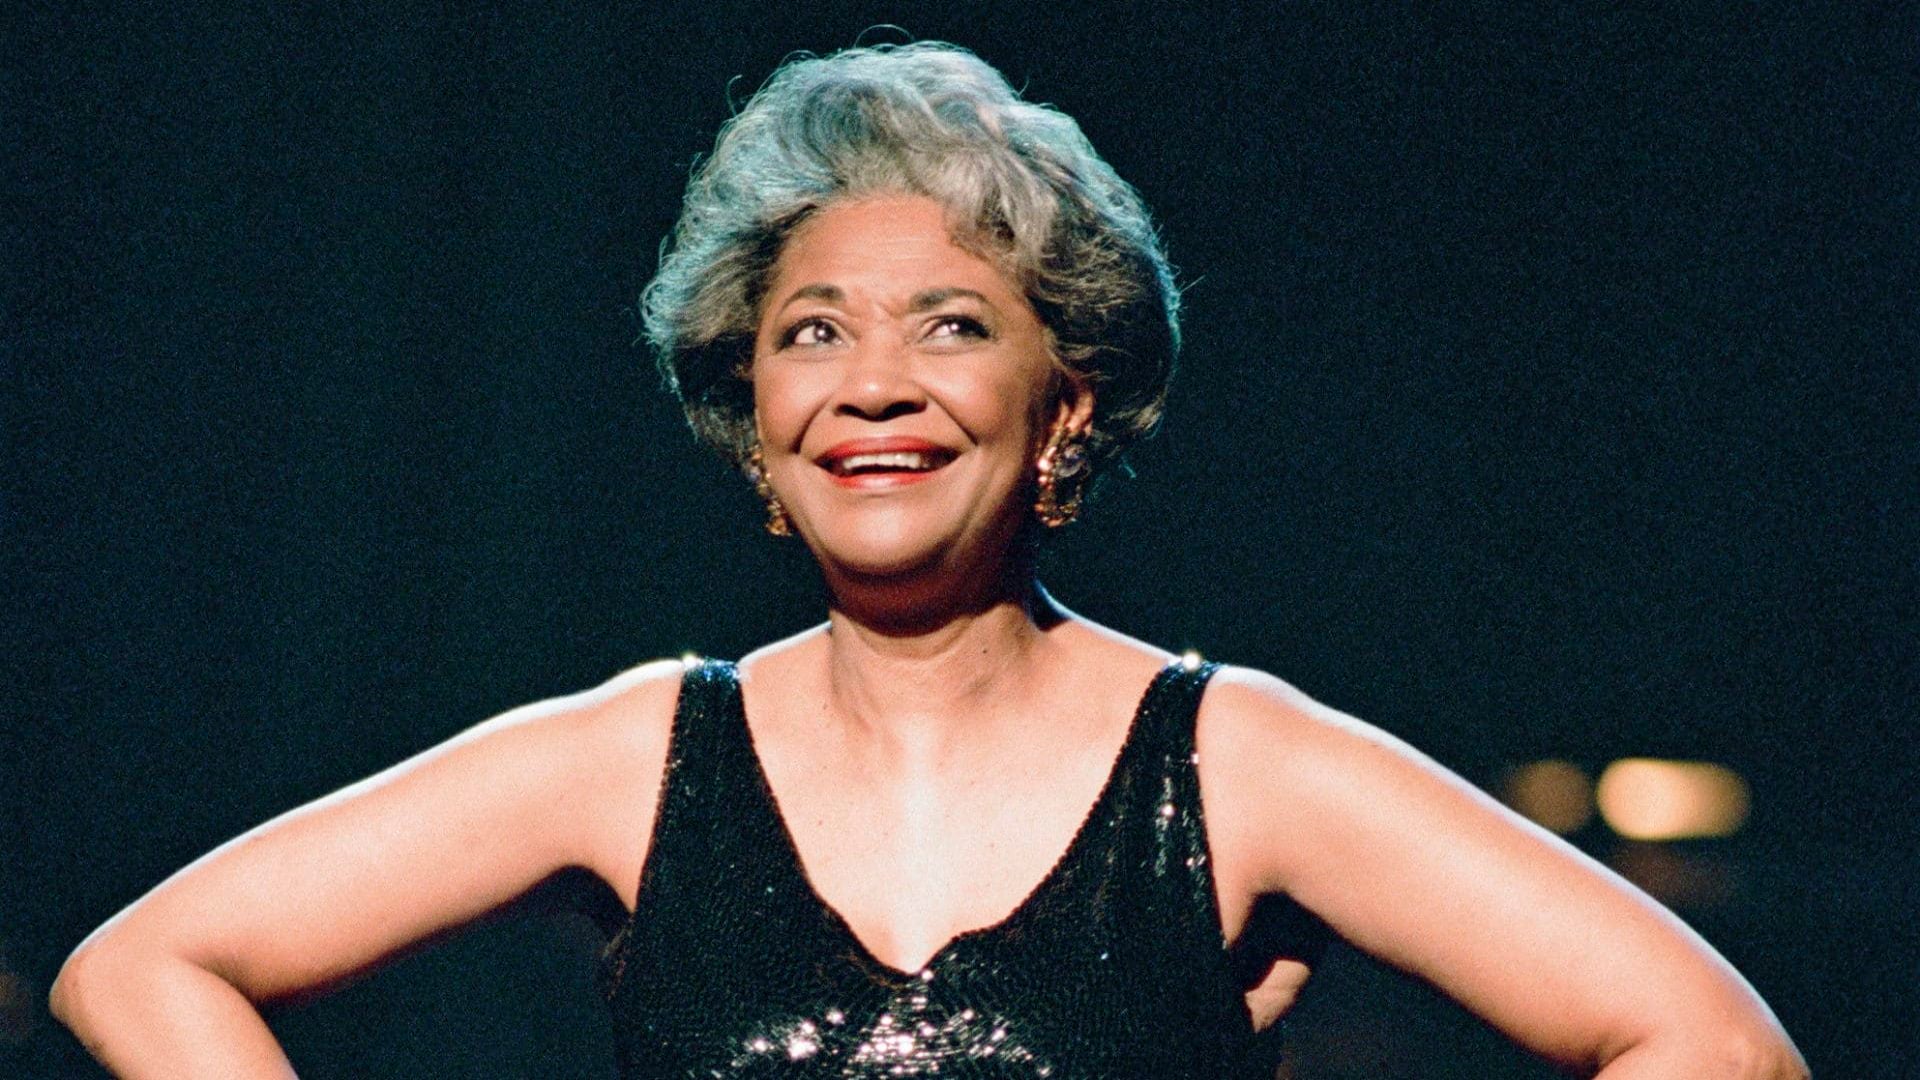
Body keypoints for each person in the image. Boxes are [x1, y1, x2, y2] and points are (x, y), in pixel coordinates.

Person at [51, 41, 1806, 1079]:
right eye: (811, 332)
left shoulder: (1234, 764)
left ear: (1066, 408)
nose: (871, 383)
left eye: (950, 325)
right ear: (756, 422)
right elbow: (140, 970)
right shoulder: (638, 756)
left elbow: (1715, 1047)